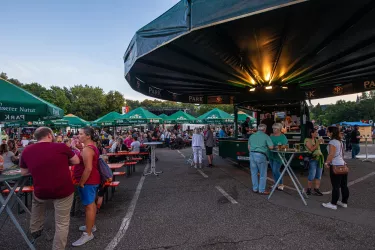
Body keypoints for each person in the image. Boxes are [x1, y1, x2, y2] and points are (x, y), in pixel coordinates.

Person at [20, 127, 80, 250]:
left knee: (36, 202)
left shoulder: (26, 150)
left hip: (41, 191)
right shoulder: (61, 147)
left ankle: (35, 228)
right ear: (49, 135)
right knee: (62, 223)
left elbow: (24, 172)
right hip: (63, 190)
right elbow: (76, 161)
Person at [72, 127, 101, 246]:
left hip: (88, 181)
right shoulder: (90, 147)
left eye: (80, 134)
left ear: (88, 136)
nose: (78, 135)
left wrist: (82, 182)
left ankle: (88, 234)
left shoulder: (87, 150)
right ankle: (91, 226)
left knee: (89, 206)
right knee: (91, 205)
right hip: (92, 180)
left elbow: (88, 168)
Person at [321, 126, 349, 210]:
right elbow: (342, 154)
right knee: (344, 185)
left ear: (331, 133)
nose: (327, 132)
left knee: (335, 186)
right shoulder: (340, 141)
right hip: (342, 164)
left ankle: (333, 204)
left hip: (335, 165)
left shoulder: (332, 142)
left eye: (328, 131)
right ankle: (344, 202)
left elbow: (331, 154)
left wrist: (327, 162)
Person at [248, 124, 273, 194]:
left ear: (258, 129)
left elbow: (249, 147)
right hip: (261, 155)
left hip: (252, 154)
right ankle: (261, 190)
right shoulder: (266, 136)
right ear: (265, 129)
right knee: (262, 173)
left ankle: (255, 188)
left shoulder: (252, 136)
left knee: (253, 173)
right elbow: (271, 147)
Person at [304, 128, 324, 196]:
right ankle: (308, 189)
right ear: (311, 133)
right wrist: (318, 142)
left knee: (319, 175)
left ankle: (316, 189)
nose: (317, 133)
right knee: (312, 174)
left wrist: (320, 141)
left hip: (320, 158)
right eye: (315, 132)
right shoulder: (307, 140)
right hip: (313, 158)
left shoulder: (316, 139)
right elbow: (311, 149)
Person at [269, 123, 288, 191]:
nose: (274, 130)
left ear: (279, 129)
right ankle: (276, 183)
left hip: (279, 155)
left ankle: (281, 184)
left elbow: (286, 146)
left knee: (275, 170)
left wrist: (278, 147)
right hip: (271, 155)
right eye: (273, 128)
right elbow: (268, 144)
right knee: (273, 171)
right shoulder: (271, 136)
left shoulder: (283, 136)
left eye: (275, 128)